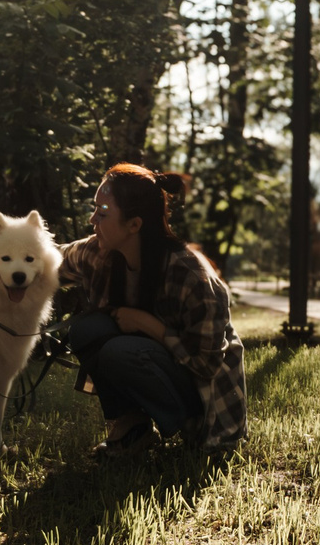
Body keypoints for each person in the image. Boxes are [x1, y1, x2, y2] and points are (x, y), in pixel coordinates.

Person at [53, 164, 246, 457]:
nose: (92, 220)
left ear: (134, 225)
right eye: (94, 209)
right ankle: (133, 429)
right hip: (158, 365)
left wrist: (148, 325)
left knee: (119, 350)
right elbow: (48, 261)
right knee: (86, 330)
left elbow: (207, 365)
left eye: (102, 213)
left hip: (206, 400)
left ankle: (188, 426)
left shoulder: (192, 277)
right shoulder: (99, 252)